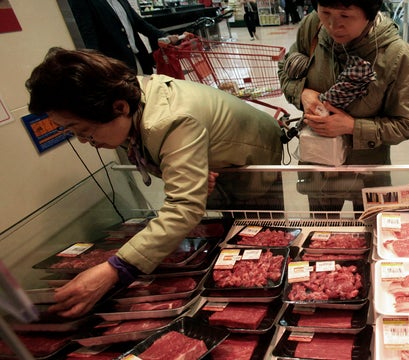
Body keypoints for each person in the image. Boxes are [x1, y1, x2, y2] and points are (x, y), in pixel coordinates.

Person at [25, 48, 284, 317]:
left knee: (260, 241)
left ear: (119, 107)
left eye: (84, 131)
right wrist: (189, 169)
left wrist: (116, 269)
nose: (83, 141)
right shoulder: (127, 96)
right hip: (217, 162)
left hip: (252, 159)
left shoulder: (169, 119)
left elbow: (184, 207)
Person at [278, 0, 409, 215]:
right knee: (322, 236)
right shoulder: (313, 27)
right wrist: (302, 94)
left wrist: (352, 126)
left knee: (369, 233)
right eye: (326, 12)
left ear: (369, 15)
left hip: (367, 172)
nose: (334, 25)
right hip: (318, 165)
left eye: (345, 16)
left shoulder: (395, 55)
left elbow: (405, 123)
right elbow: (286, 68)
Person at [68, 0, 180, 75]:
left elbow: (139, 23)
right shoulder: (82, 2)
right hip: (116, 68)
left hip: (139, 59)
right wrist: (99, 68)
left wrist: (164, 36)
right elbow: (89, 37)